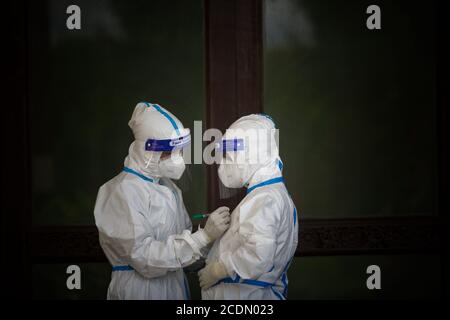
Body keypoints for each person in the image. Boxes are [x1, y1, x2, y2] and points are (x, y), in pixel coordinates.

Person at [94, 102, 230, 300]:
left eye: (180, 151)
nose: (177, 159)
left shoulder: (169, 188)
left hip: (174, 286)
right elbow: (144, 259)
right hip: (139, 290)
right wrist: (203, 237)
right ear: (146, 150)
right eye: (168, 153)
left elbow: (182, 255)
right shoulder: (121, 191)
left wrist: (212, 244)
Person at [198, 114, 298, 300]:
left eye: (229, 156)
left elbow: (258, 254)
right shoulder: (265, 195)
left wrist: (218, 270)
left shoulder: (265, 199)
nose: (224, 163)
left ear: (251, 154)